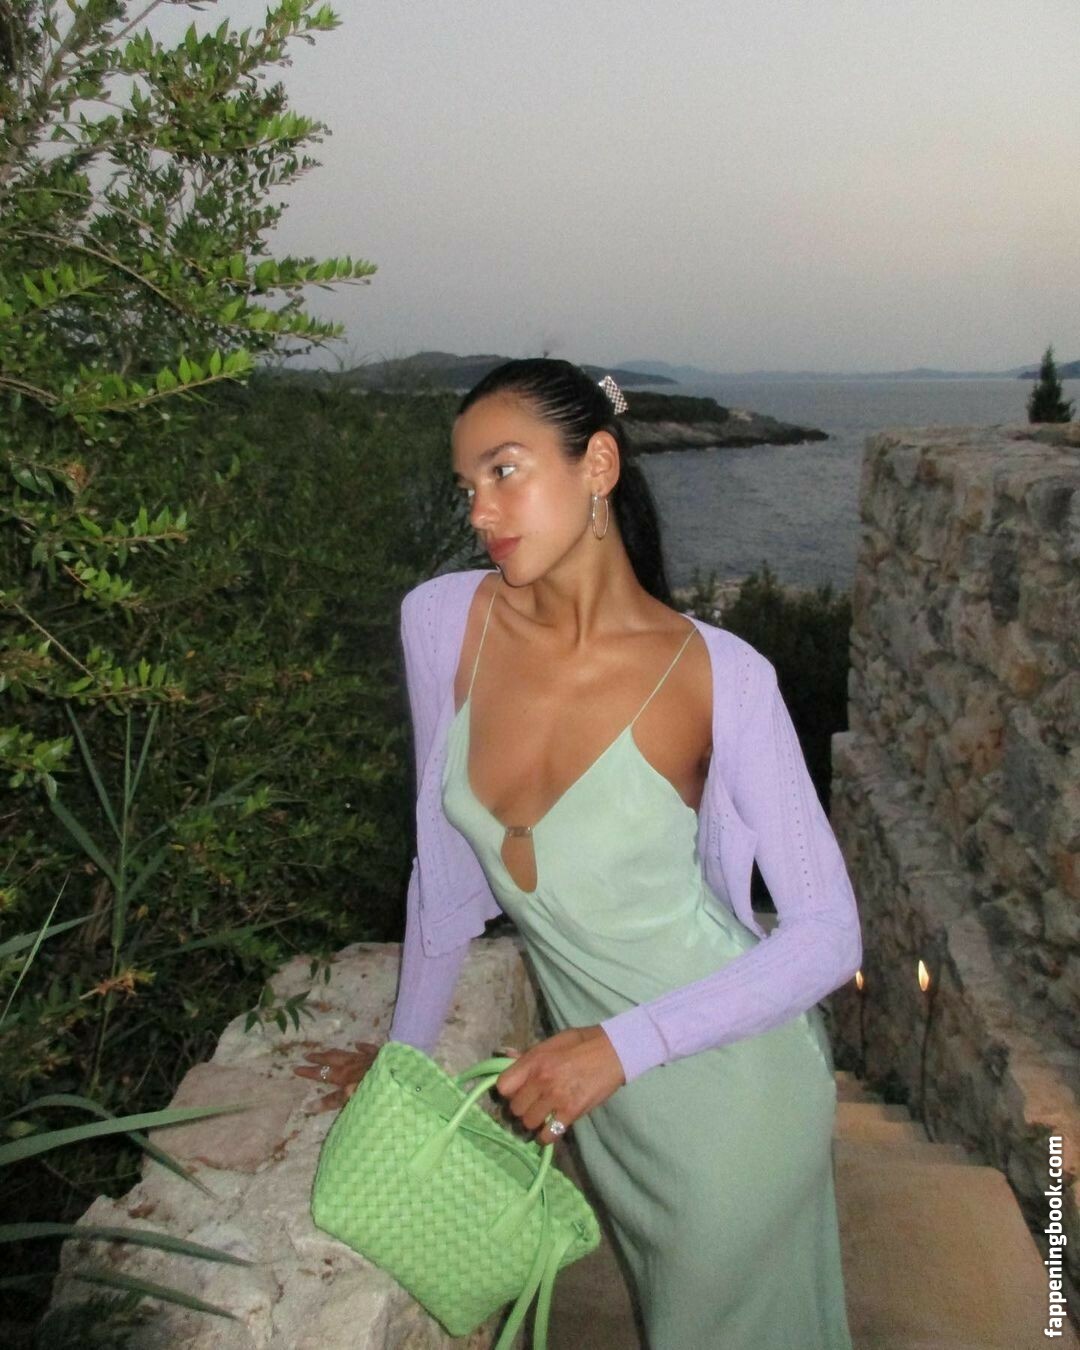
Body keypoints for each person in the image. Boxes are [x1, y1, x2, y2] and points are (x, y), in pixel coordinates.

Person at [295, 358, 862, 1349]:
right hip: (609, 1111)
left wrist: (620, 1048)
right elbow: (442, 884)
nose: (480, 510)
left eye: (505, 471)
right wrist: (401, 1075)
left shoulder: (721, 676)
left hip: (732, 1094)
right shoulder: (442, 623)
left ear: (597, 464)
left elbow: (828, 935)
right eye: (467, 485)